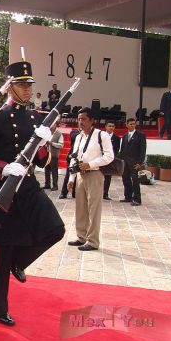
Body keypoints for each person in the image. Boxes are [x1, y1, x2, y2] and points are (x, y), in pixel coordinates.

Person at [0, 60, 65, 327]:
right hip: (4, 188)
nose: (27, 89)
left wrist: (42, 144)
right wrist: (4, 168)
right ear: (10, 86)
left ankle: (20, 262)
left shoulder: (37, 117)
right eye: (22, 84)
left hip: (28, 186)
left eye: (29, 85)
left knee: (55, 229)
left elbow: (43, 162)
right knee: (2, 251)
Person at [67, 107, 114, 251]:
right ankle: (81, 237)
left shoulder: (102, 135)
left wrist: (91, 164)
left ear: (92, 120)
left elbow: (109, 157)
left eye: (84, 119)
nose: (80, 122)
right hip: (81, 174)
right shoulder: (79, 136)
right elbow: (74, 157)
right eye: (79, 119)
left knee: (94, 208)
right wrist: (71, 178)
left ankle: (93, 241)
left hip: (94, 174)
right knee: (80, 207)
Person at [119, 118, 146, 206]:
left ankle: (137, 199)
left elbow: (142, 150)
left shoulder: (140, 135)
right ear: (126, 125)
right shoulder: (125, 136)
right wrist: (121, 161)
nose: (132, 125)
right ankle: (128, 197)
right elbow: (122, 150)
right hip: (125, 162)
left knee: (135, 181)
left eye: (134, 124)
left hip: (135, 163)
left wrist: (139, 163)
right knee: (125, 179)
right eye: (130, 124)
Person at [59, 128, 80, 199]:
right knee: (69, 175)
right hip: (72, 157)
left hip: (82, 157)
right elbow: (74, 137)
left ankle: (75, 193)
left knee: (78, 176)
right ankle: (63, 193)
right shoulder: (74, 132)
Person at [103, 121, 120, 200]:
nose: (111, 127)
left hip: (110, 160)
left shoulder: (117, 138)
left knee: (108, 177)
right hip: (100, 159)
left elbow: (116, 150)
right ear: (106, 127)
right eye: (109, 126)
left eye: (113, 126)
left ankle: (105, 193)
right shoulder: (101, 135)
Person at [43, 123, 63, 191]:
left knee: (54, 170)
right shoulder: (47, 133)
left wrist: (52, 143)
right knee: (47, 169)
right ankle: (47, 184)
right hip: (46, 154)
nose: (51, 126)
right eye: (50, 125)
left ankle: (55, 185)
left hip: (54, 155)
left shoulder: (59, 134)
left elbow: (61, 145)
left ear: (55, 126)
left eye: (53, 125)